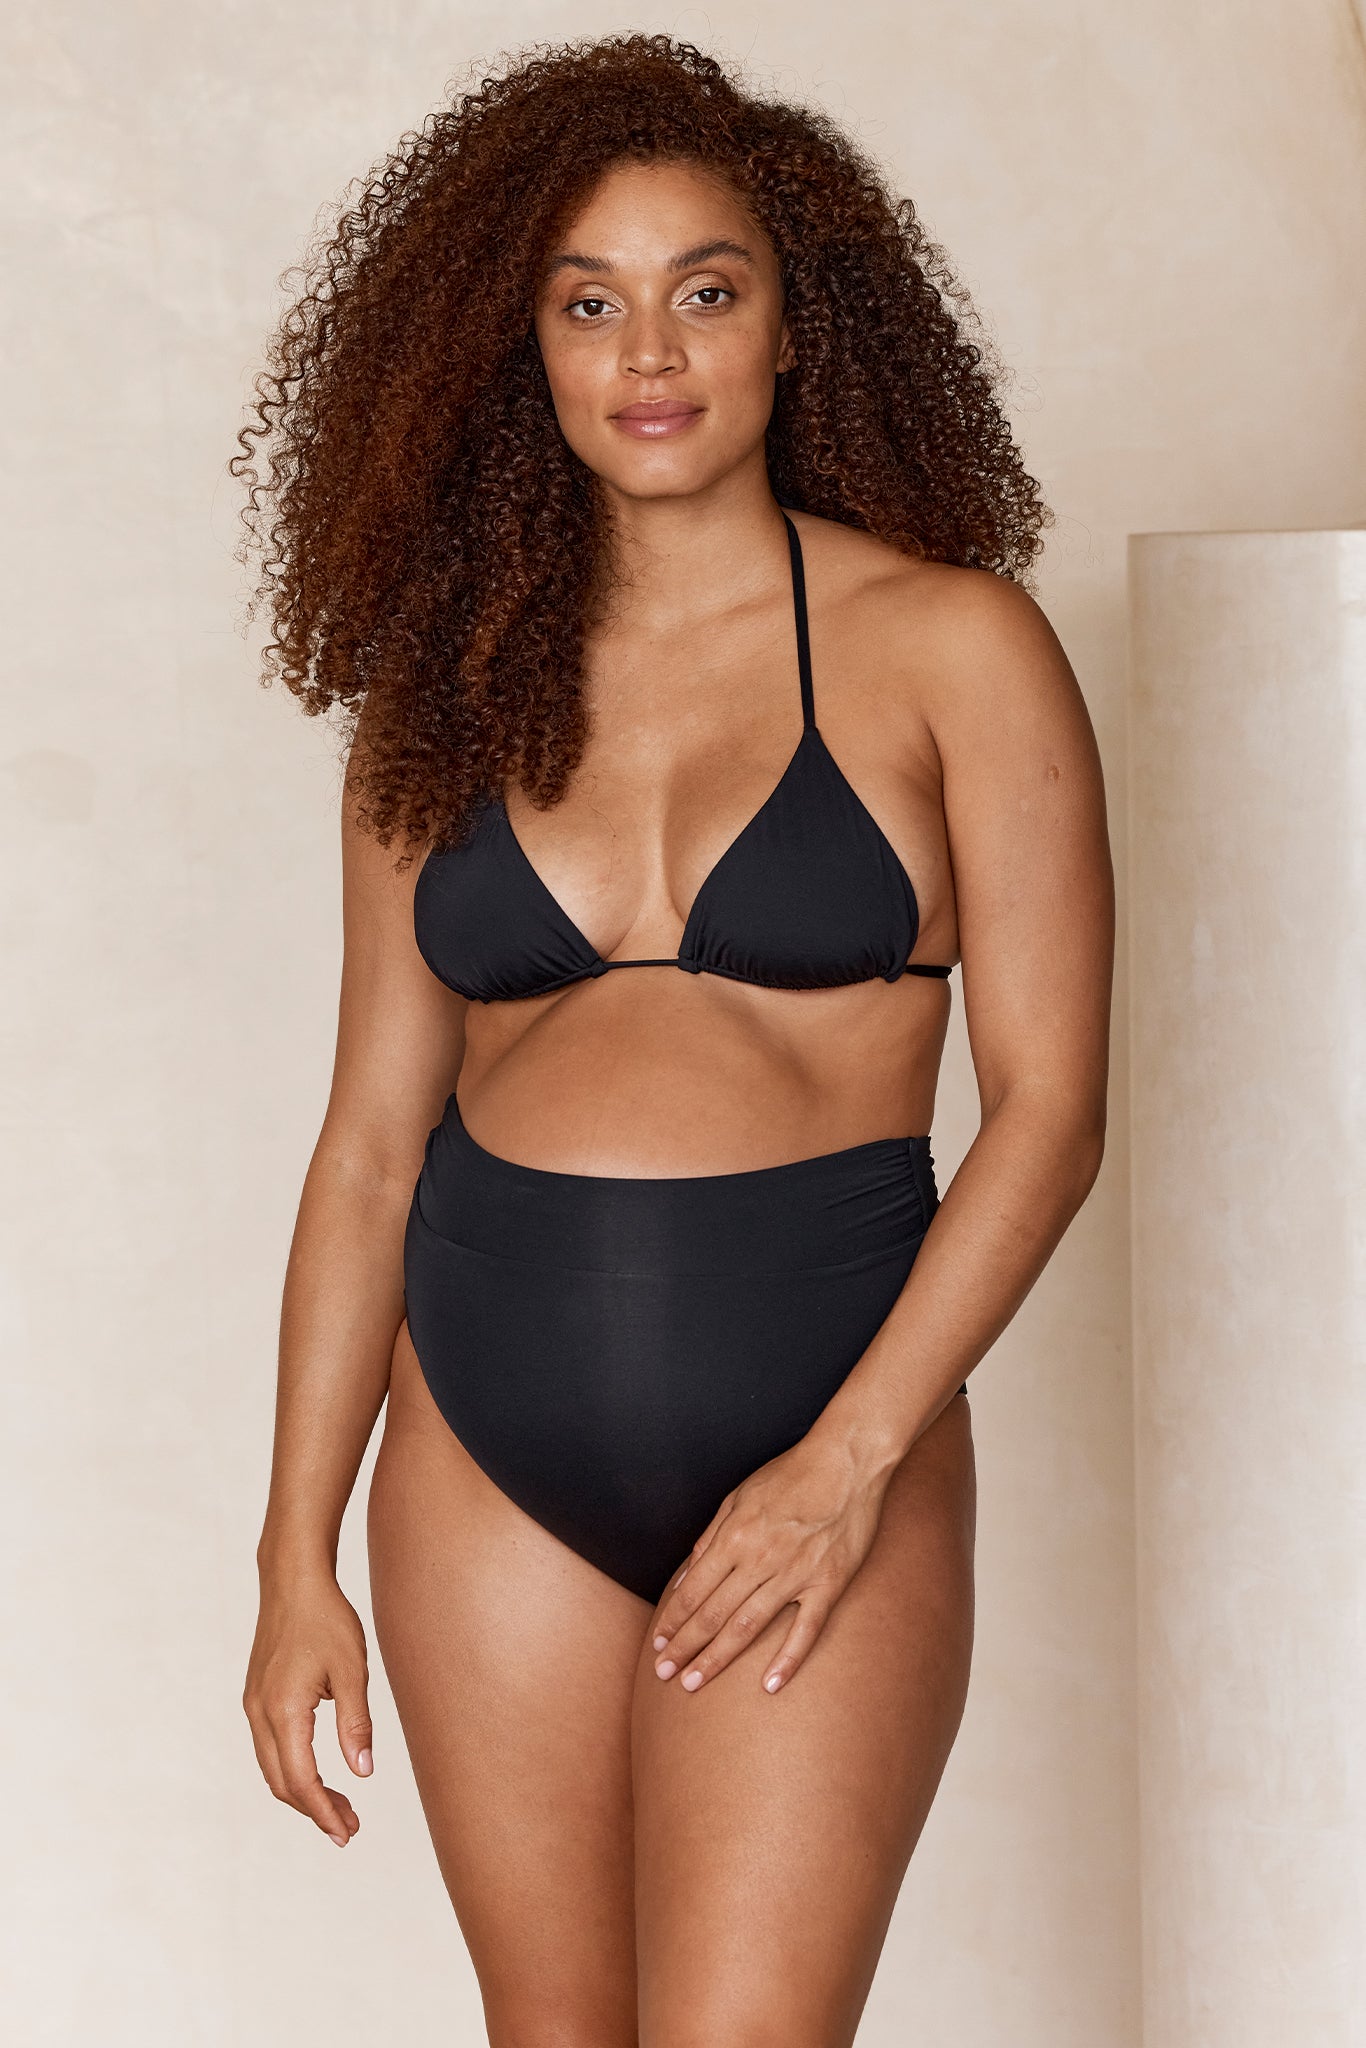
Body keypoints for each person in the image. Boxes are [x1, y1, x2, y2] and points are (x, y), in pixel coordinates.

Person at [238, 34, 1113, 2047]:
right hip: (479, 1443)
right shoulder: (434, 702)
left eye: (705, 288)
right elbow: (371, 1144)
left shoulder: (949, 645)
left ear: (797, 329)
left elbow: (1048, 1110)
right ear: (518, 351)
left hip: (826, 1419)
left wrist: (845, 1461)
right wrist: (294, 1552)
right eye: (586, 300)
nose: (649, 346)